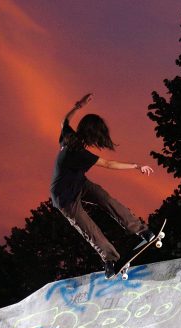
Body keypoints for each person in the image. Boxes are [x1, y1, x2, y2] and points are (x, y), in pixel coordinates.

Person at [50, 93, 155, 279]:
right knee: (89, 228)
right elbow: (108, 164)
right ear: (92, 135)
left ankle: (141, 229)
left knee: (105, 198)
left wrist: (78, 106)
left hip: (78, 183)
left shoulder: (68, 136)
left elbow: (64, 120)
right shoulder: (79, 152)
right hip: (64, 197)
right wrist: (137, 166)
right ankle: (110, 259)